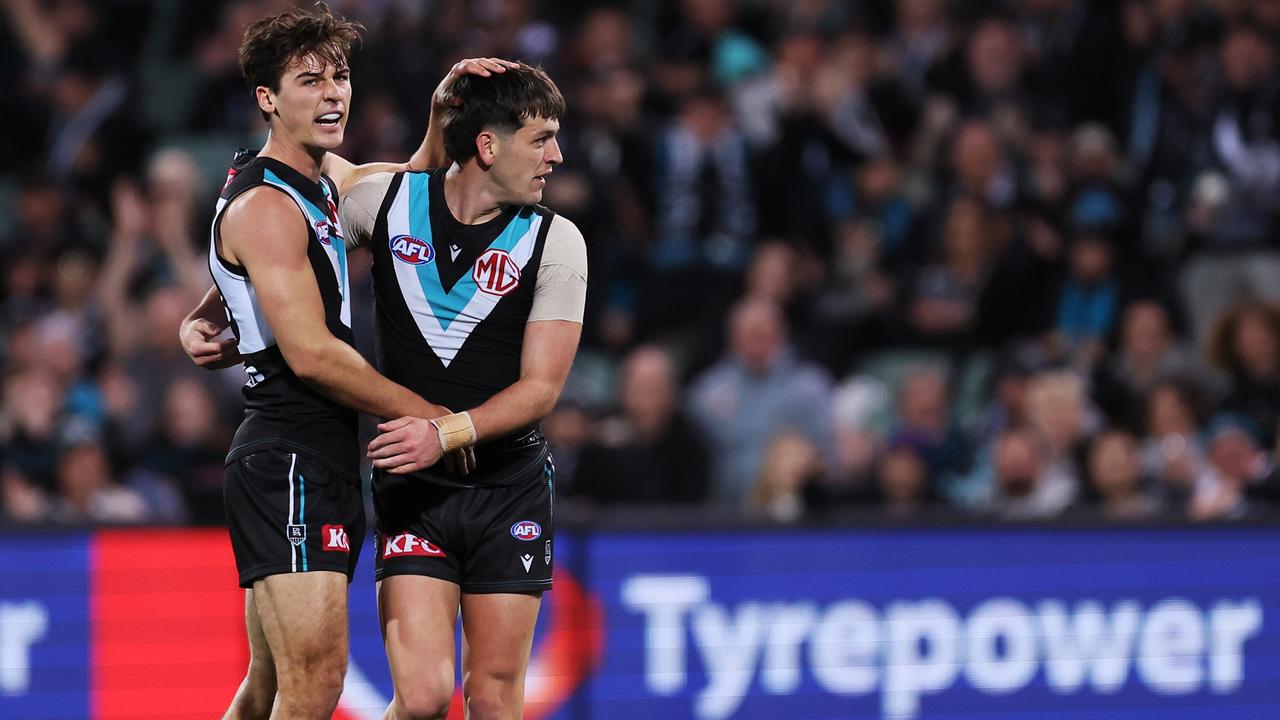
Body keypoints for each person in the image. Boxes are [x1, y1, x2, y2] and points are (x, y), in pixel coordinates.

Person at [176, 7, 507, 719]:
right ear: (267, 97)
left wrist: (439, 114)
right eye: (309, 80)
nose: (333, 94)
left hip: (318, 455)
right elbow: (314, 354)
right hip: (286, 457)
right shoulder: (266, 203)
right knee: (315, 684)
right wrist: (429, 414)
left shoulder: (319, 178)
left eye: (342, 76)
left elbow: (407, 181)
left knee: (268, 688)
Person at [339, 63, 585, 719]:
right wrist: (212, 307)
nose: (556, 157)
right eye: (541, 138)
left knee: (494, 697)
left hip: (510, 491)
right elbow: (280, 237)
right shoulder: (382, 204)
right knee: (421, 700)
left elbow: (540, 389)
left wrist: (442, 433)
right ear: (487, 145)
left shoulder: (557, 241)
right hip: (416, 495)